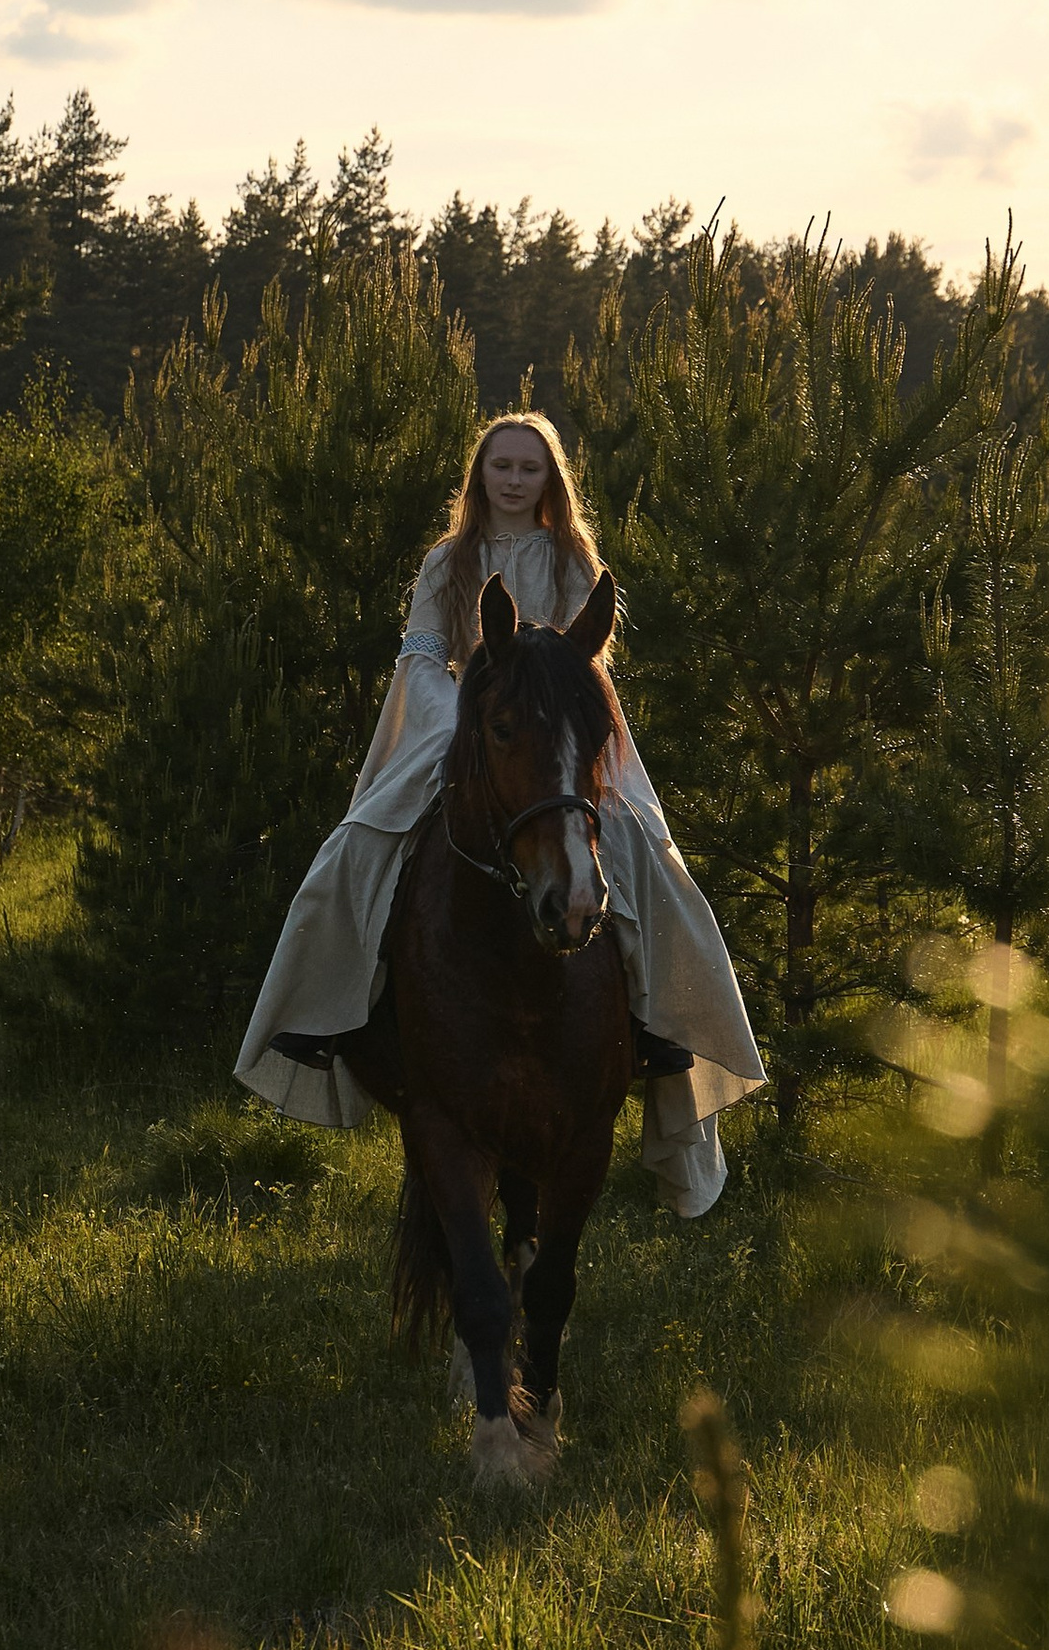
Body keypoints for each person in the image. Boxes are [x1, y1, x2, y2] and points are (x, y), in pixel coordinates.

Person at [236, 410, 764, 1215]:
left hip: (557, 739)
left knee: (642, 852)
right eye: (501, 466)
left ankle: (661, 1026)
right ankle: (329, 1013)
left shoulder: (573, 558)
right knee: (359, 845)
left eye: (529, 467)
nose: (514, 480)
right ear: (479, 475)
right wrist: (459, 718)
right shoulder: (447, 561)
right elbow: (422, 651)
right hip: (462, 727)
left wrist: (550, 727)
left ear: (550, 479)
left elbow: (587, 663)